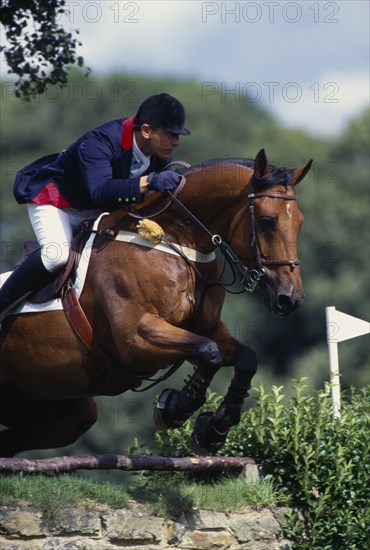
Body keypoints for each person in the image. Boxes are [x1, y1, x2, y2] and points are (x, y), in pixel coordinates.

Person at [0, 92, 191, 317]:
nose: (177, 142)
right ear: (147, 130)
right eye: (170, 134)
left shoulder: (160, 155)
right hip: (57, 203)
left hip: (95, 212)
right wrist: (149, 181)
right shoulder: (101, 141)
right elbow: (101, 192)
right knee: (56, 256)